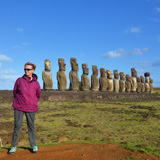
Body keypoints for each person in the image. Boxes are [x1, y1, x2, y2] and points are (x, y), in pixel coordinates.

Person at [8, 62, 41, 154]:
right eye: (25, 69)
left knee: (31, 126)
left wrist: (32, 101)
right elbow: (15, 92)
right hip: (19, 106)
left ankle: (34, 145)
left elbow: (38, 95)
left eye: (28, 69)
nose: (26, 71)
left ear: (33, 71)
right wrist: (19, 100)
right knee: (17, 126)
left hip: (31, 107)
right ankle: (13, 146)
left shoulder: (36, 83)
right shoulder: (19, 80)